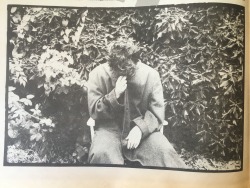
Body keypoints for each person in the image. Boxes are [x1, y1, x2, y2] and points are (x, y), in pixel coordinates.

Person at [87, 38, 187, 168]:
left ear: (135, 61)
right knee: (101, 154)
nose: (122, 71)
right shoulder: (98, 74)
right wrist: (115, 94)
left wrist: (141, 129)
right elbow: (94, 111)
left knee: (165, 152)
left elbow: (156, 112)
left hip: (145, 134)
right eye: (117, 69)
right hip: (109, 132)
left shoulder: (151, 75)